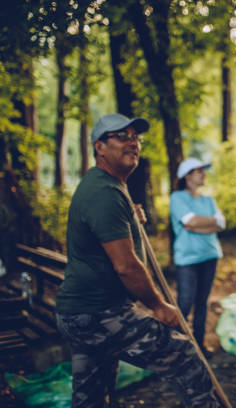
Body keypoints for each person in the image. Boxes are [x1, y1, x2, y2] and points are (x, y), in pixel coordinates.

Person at [55, 113, 220, 408]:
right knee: (185, 357)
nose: (132, 143)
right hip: (100, 313)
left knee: (91, 396)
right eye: (121, 136)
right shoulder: (105, 191)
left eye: (135, 137)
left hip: (81, 313)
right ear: (99, 147)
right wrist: (158, 306)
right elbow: (126, 266)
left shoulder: (107, 186)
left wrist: (131, 216)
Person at [170, 157, 225, 359]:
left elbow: (221, 224)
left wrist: (198, 225)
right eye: (199, 171)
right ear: (187, 176)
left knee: (202, 302)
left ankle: (199, 346)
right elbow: (189, 222)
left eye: (204, 170)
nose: (204, 174)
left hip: (210, 256)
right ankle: (178, 348)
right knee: (184, 303)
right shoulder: (177, 198)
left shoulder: (208, 200)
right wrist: (209, 223)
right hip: (187, 260)